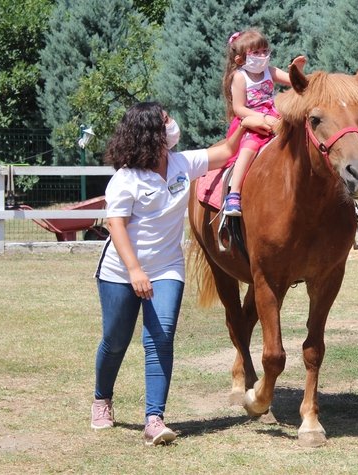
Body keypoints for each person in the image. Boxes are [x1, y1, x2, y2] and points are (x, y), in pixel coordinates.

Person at [91, 101, 261, 446]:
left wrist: (247, 121)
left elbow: (227, 151)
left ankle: (154, 418)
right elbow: (116, 226)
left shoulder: (182, 163)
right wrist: (135, 270)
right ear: (150, 133)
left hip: (167, 268)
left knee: (161, 337)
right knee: (115, 341)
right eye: (166, 121)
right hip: (120, 273)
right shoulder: (126, 180)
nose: (173, 126)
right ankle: (102, 399)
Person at [221, 28, 306, 216]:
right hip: (251, 117)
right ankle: (234, 193)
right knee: (250, 147)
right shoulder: (239, 77)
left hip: (275, 112)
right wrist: (262, 118)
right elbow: (238, 108)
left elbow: (295, 82)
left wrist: (297, 70)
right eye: (256, 53)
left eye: (264, 51)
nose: (262, 56)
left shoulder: (270, 71)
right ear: (240, 59)